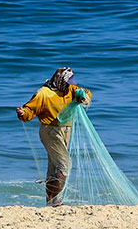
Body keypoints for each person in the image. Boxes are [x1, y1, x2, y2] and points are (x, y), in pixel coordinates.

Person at [16, 66, 92, 206]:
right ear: (58, 80)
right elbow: (29, 110)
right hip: (50, 131)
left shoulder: (70, 90)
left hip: (66, 130)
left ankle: (51, 201)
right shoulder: (43, 93)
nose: (71, 86)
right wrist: (23, 113)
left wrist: (84, 96)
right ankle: (55, 201)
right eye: (68, 83)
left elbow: (86, 94)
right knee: (64, 165)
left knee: (54, 166)